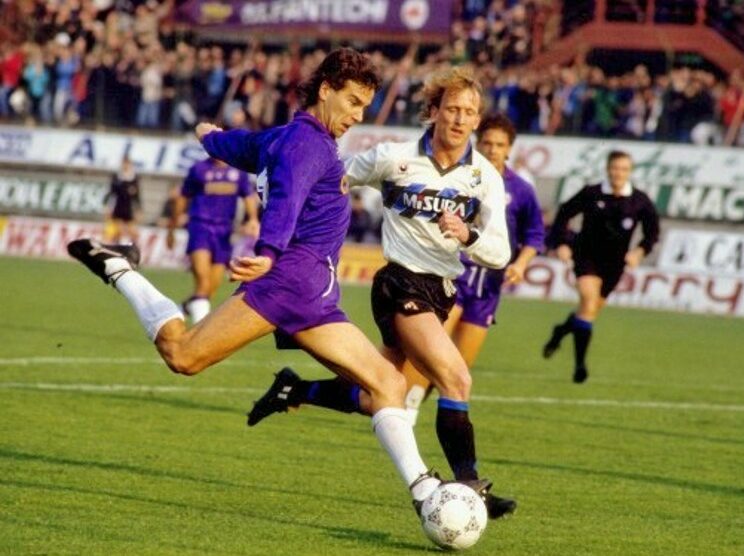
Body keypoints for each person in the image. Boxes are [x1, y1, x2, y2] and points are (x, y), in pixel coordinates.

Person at [67, 48, 465, 517]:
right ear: (325, 90)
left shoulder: (286, 137)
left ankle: (423, 493)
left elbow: (243, 148)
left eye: (364, 106)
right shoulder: (307, 145)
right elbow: (286, 202)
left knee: (387, 385)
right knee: (184, 355)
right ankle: (121, 269)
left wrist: (212, 139)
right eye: (353, 102)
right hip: (288, 284)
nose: (358, 116)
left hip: (314, 294)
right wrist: (269, 251)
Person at [248, 67, 516, 519]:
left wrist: (468, 234)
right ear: (433, 112)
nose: (459, 119)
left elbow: (500, 253)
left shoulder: (485, 177)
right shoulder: (393, 158)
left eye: (469, 112)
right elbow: (331, 178)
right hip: (399, 284)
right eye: (452, 109)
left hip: (441, 290)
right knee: (456, 377)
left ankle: (295, 390)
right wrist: (286, 208)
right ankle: (471, 487)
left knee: (379, 392)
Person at [402, 112, 545, 425]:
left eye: (500, 145)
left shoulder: (521, 190)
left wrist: (521, 263)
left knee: (458, 366)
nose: (493, 149)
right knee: (433, 351)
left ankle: (416, 401)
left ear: (510, 149)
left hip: (488, 288)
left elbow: (535, 233)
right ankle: (406, 412)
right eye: (488, 143)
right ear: (478, 143)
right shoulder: (462, 177)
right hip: (454, 276)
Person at [542, 150, 660, 383]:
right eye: (615, 168)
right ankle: (579, 366)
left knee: (590, 311)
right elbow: (564, 213)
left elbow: (652, 231)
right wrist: (562, 243)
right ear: (607, 169)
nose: (618, 173)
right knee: (587, 300)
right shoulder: (591, 193)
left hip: (614, 265)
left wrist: (639, 251)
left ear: (630, 172)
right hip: (586, 257)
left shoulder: (639, 201)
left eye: (624, 169)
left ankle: (561, 331)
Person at [167, 157, 260, 324]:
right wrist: (171, 229)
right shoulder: (199, 169)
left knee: (209, 290)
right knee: (203, 282)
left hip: (224, 232)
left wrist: (253, 219)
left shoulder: (237, 171)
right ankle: (200, 329)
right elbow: (183, 197)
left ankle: (180, 310)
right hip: (199, 228)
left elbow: (248, 195)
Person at [104, 155, 141, 244]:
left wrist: (138, 209)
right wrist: (107, 207)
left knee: (133, 232)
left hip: (128, 208)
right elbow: (111, 193)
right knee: (118, 232)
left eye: (127, 163)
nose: (125, 165)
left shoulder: (134, 177)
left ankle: (134, 248)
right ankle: (116, 248)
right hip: (118, 207)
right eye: (124, 163)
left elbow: (137, 196)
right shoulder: (116, 177)